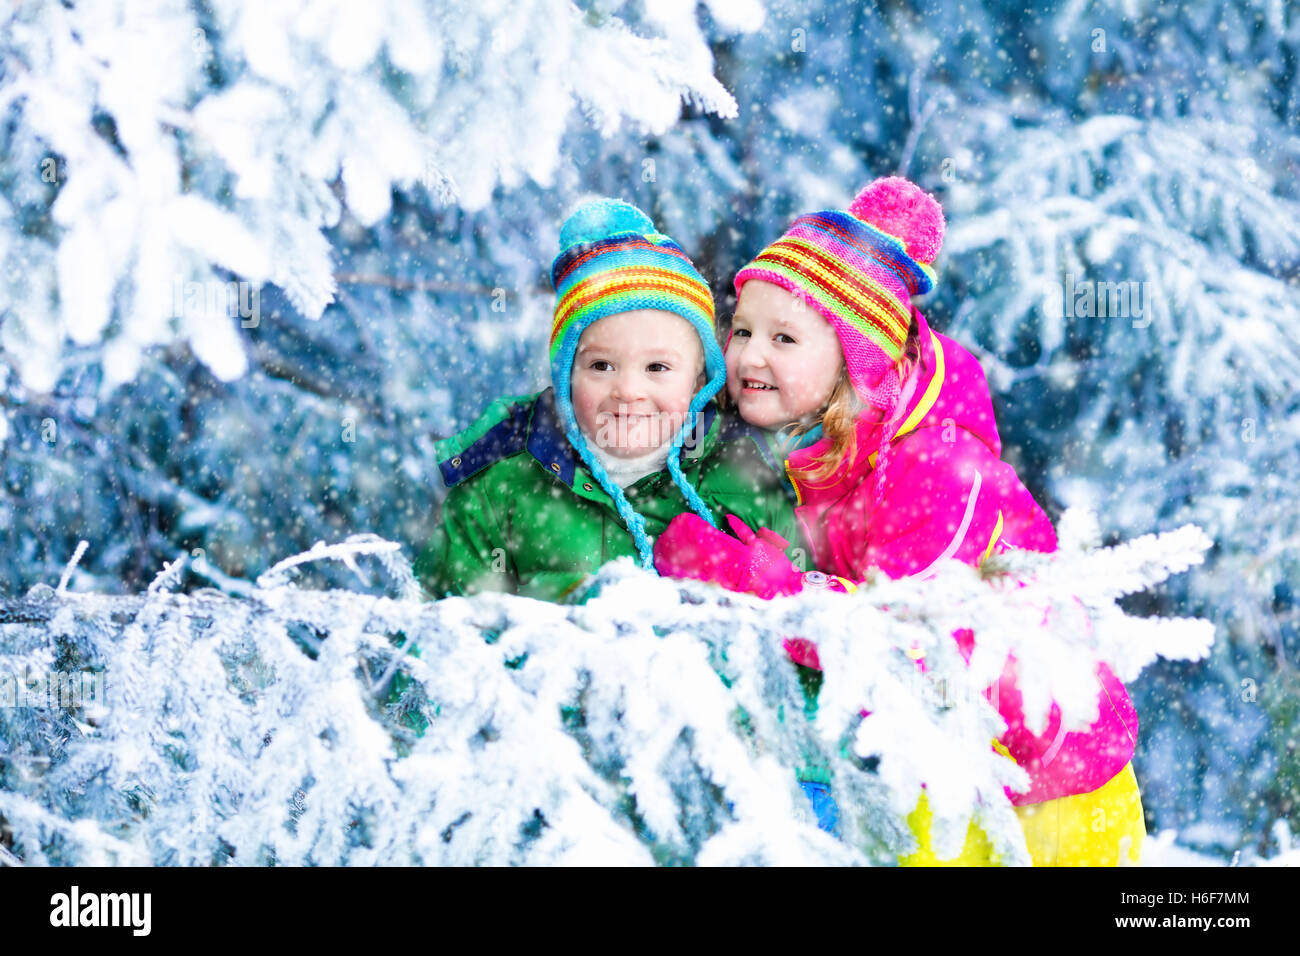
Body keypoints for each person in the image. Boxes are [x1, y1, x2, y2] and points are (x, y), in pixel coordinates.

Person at [652, 176, 1145, 866]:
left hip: (1050, 797)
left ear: (858, 359)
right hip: (939, 761)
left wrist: (759, 583)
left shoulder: (938, 467)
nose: (747, 355)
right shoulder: (839, 451)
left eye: (784, 336)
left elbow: (894, 638)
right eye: (742, 328)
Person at [413, 197, 799, 604]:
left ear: (698, 381)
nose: (628, 390)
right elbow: (440, 636)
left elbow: (818, 631)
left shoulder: (741, 478)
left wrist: (758, 580)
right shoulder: (502, 488)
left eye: (657, 368)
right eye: (601, 366)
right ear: (565, 377)